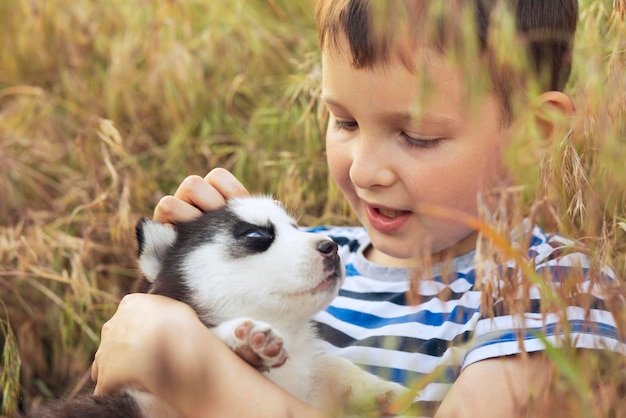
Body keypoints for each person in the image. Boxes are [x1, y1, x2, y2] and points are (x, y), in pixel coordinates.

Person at [90, 1, 624, 417]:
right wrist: (180, 278)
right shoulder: (319, 252)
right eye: (344, 122)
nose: (365, 170)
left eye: (416, 135)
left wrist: (189, 369)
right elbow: (114, 373)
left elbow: (165, 361)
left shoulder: (553, 291)